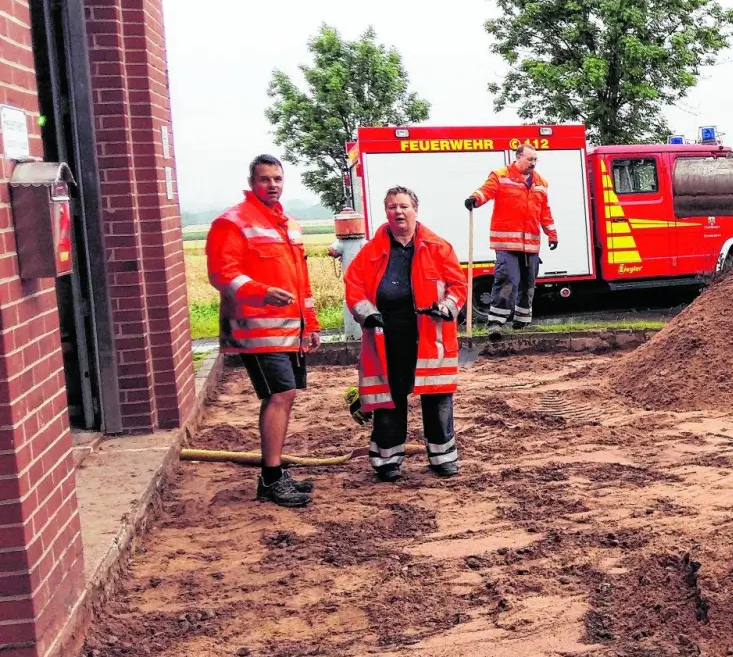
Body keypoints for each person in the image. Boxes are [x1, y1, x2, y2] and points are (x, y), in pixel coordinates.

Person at [205, 154, 318, 507]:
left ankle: (276, 472)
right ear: (252, 182)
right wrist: (261, 291)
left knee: (285, 397)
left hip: (289, 332)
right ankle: (270, 478)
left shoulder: (288, 224)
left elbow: (301, 282)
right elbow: (221, 273)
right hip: (258, 331)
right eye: (265, 178)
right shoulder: (233, 222)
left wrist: (310, 324)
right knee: (280, 396)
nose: (272, 184)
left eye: (277, 179)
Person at [346, 187, 468, 481]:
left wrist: (447, 307)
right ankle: (387, 463)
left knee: (438, 399)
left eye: (403, 206)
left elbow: (459, 286)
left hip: (430, 338)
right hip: (386, 336)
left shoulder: (439, 247)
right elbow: (354, 286)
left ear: (416, 210)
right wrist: (367, 313)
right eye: (391, 207)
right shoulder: (371, 251)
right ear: (385, 212)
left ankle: (443, 459)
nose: (398, 212)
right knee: (389, 398)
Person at [465, 145, 558, 335]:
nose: (533, 163)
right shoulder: (501, 175)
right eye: (530, 159)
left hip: (531, 245)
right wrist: (475, 198)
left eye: (535, 160)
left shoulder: (541, 182)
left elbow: (544, 211)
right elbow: (487, 190)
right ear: (518, 157)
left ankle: (522, 322)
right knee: (507, 280)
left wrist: (552, 233)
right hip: (506, 244)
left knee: (528, 283)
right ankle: (496, 324)